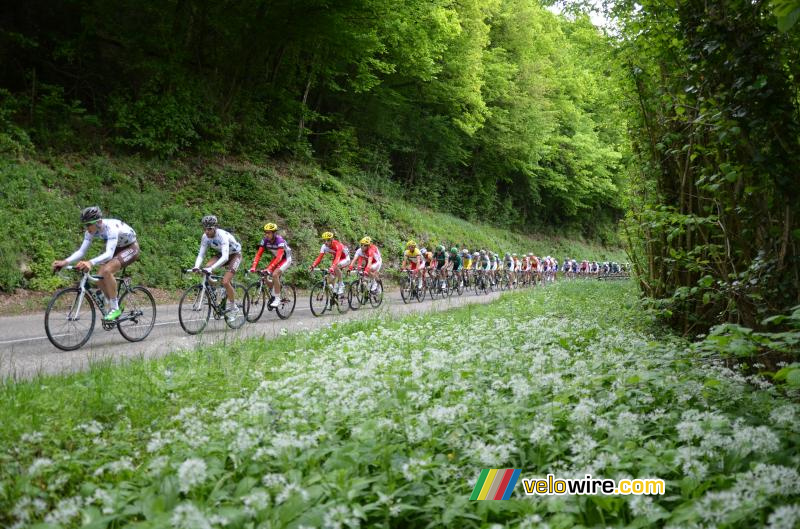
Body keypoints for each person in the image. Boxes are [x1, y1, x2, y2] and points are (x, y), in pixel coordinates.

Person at [52, 206, 140, 321]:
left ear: (98, 222)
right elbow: (81, 251)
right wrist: (65, 262)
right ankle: (117, 305)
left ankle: (115, 309)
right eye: (85, 225)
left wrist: (90, 262)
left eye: (89, 224)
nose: (87, 228)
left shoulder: (111, 228)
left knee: (107, 271)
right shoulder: (90, 231)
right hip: (116, 248)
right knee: (99, 277)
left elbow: (109, 254)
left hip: (130, 248)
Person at [193, 215, 243, 322]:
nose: (207, 231)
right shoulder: (205, 237)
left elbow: (225, 258)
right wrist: (196, 266)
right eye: (205, 228)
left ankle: (234, 307)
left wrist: (212, 268)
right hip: (221, 254)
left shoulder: (222, 235)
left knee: (225, 281)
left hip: (234, 255)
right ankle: (214, 293)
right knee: (206, 268)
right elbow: (201, 254)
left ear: (215, 227)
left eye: (209, 228)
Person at [249, 223, 292, 308]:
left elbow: (280, 257)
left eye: (269, 233)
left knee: (275, 274)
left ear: (274, 233)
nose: (267, 235)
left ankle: (277, 298)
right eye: (265, 232)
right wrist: (254, 266)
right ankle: (274, 290)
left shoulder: (280, 240)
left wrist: (269, 268)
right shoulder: (265, 240)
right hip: (276, 258)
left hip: (285, 258)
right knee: (264, 275)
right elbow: (258, 254)